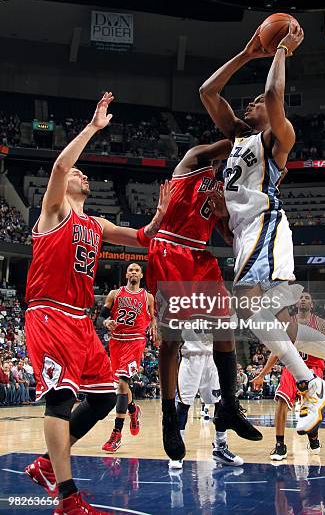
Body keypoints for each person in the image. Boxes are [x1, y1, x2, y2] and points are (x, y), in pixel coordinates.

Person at [199, 23, 325, 436]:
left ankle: (311, 384)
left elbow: (276, 96)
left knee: (249, 308)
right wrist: (247, 53)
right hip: (246, 234)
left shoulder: (279, 137)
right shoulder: (237, 138)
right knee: (284, 327)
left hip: (266, 226)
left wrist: (280, 50)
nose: (253, 102)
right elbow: (208, 93)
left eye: (259, 101)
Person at [23, 93, 170, 515]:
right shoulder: (54, 211)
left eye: (84, 174)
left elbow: (141, 238)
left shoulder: (96, 223)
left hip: (82, 323)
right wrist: (92, 128)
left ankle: (48, 463)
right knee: (60, 400)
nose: (82, 175)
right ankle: (68, 497)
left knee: (105, 398)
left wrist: (158, 219)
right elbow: (60, 166)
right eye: (78, 174)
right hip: (50, 312)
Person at [146, 139, 262, 462]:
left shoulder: (224, 188)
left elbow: (226, 234)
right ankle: (169, 418)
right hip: (172, 249)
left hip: (199, 255)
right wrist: (246, 135)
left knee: (225, 324)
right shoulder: (190, 162)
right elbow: (227, 142)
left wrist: (227, 214)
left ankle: (229, 405)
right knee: (171, 341)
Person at [253, 292, 325, 459]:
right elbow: (277, 350)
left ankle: (314, 437)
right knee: (281, 400)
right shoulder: (287, 323)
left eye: (307, 298)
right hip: (291, 366)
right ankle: (280, 445)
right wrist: (262, 374)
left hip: (313, 366)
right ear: (296, 303)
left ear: (312, 304)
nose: (303, 299)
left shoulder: (320, 323)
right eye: (301, 297)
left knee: (311, 406)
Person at [99, 263, 157, 453]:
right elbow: (103, 316)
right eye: (130, 270)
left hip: (135, 342)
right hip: (117, 342)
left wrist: (155, 330)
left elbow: (153, 319)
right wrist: (107, 322)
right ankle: (133, 410)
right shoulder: (115, 294)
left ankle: (116, 434)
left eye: (137, 270)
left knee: (123, 384)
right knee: (122, 386)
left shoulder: (148, 297)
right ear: (126, 274)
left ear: (141, 275)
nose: (133, 272)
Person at [169, 326, 243, 469]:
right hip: (190, 356)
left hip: (213, 356)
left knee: (219, 403)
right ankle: (177, 452)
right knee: (184, 404)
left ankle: (220, 448)